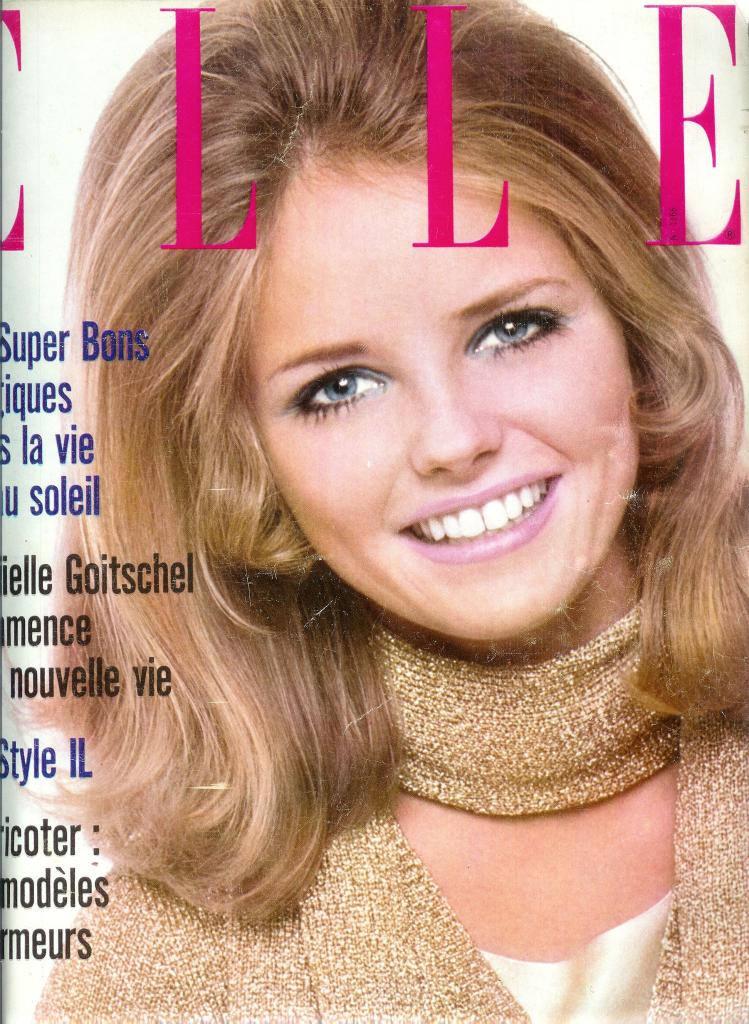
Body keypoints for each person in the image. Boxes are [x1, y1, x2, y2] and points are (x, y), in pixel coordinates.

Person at [36, 0, 748, 1021]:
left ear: (637, 326)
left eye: (513, 327)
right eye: (339, 388)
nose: (453, 438)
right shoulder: (161, 962)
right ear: (238, 462)